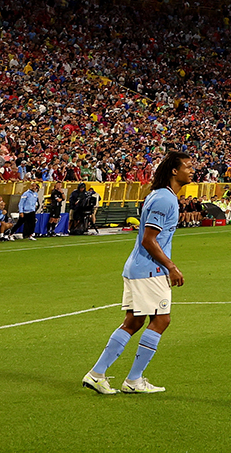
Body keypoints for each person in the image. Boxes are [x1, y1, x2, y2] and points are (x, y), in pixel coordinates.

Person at [82, 150, 191, 395]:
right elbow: (149, 240)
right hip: (150, 269)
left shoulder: (161, 195)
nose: (191, 170)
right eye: (187, 166)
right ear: (174, 171)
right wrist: (171, 267)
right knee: (161, 320)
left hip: (138, 268)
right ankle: (133, 380)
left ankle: (97, 374)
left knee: (134, 321)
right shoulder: (165, 199)